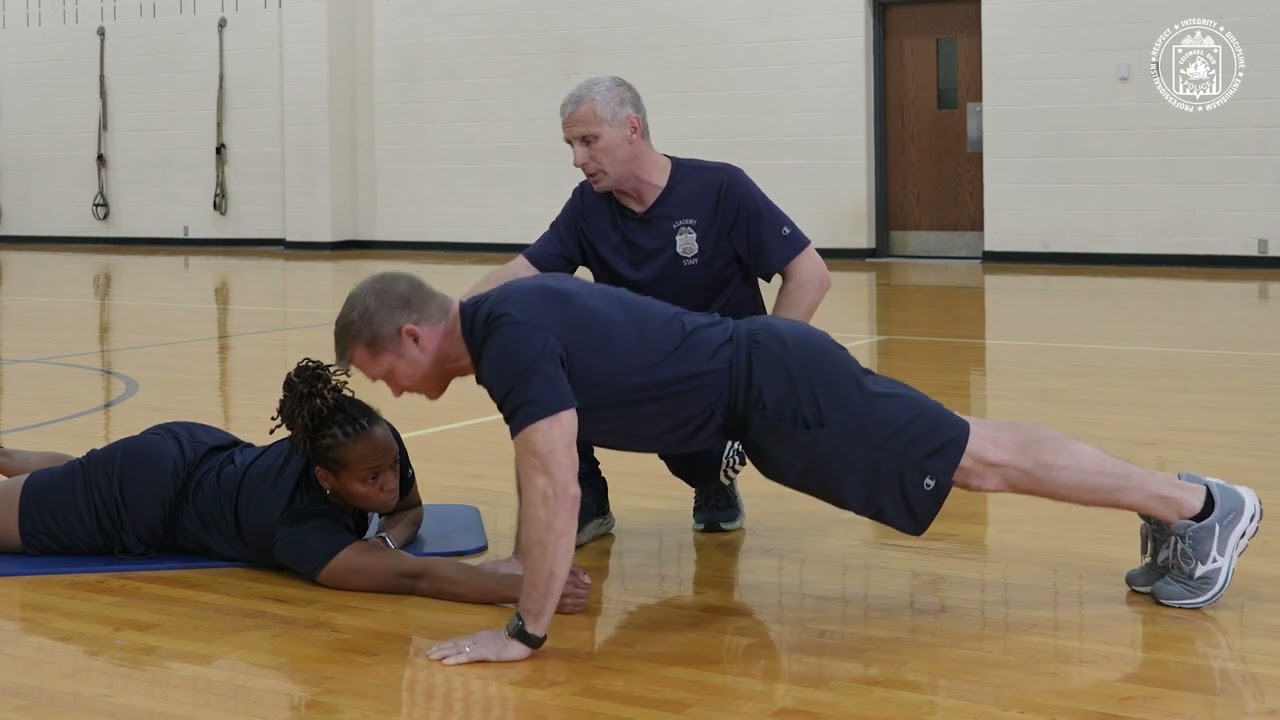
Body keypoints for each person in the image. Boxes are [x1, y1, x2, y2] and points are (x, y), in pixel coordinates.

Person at [333, 271, 1263, 666]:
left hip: (775, 387)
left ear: (414, 334)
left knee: (978, 459)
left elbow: (551, 482)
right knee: (975, 448)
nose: (402, 397)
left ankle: (1200, 504)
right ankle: (1179, 506)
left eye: (389, 374)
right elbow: (552, 476)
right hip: (770, 386)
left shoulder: (505, 335)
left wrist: (524, 632)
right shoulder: (509, 323)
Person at [463, 75, 832, 546]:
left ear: (632, 129)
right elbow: (524, 271)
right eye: (571, 145)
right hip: (639, 370)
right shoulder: (587, 206)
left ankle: (713, 481)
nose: (578, 159)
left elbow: (810, 275)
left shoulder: (720, 188)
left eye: (589, 141)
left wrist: (765, 368)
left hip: (717, 375)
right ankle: (586, 498)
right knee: (534, 350)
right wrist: (455, 318)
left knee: (697, 461)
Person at [0, 357, 590, 613]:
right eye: (371, 479)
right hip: (143, 496)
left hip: (194, 454)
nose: (389, 484)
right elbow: (415, 576)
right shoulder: (301, 530)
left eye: (389, 468)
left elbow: (409, 511)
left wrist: (387, 536)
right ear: (325, 479)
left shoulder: (372, 441)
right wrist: (527, 587)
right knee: (71, 491)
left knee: (78, 475)